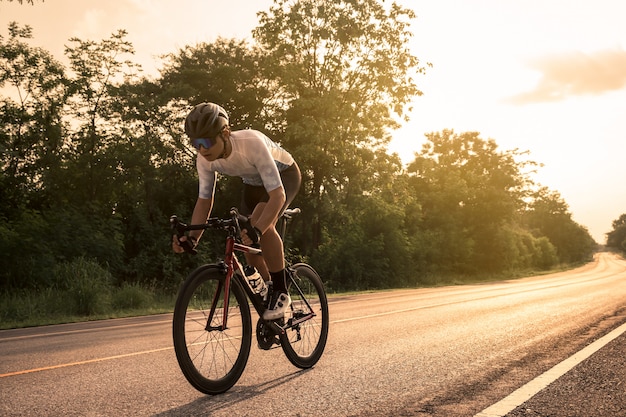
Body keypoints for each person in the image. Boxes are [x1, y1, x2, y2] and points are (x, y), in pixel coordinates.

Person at [172, 102, 301, 321]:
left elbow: (277, 196)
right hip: (253, 183)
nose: (202, 149)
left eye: (207, 141)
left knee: (262, 224)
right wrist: (192, 238)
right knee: (248, 245)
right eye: (196, 143)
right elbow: (204, 201)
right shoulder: (204, 160)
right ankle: (269, 288)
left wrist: (258, 229)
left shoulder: (250, 143)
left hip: (285, 176)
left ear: (225, 133)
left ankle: (281, 291)